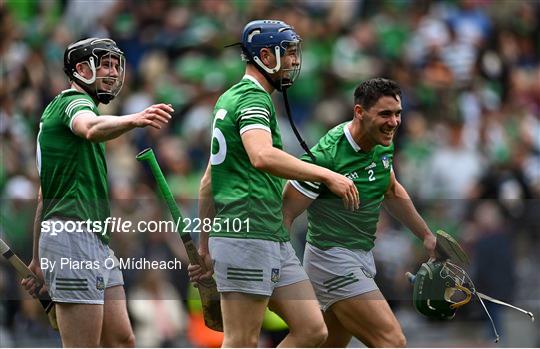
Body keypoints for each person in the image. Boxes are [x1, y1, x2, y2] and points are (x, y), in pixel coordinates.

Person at [188, 20, 359, 347]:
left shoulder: (229, 99)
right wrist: (326, 175)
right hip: (246, 236)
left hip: (269, 234)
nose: (295, 61)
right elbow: (262, 156)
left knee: (312, 329)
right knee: (242, 340)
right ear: (265, 56)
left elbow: (209, 181)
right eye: (289, 53)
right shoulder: (253, 99)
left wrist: (206, 245)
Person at [21, 37, 173, 347]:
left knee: (121, 340)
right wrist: (135, 119)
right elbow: (89, 127)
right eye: (105, 64)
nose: (114, 72)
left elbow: (43, 197)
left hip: (91, 240)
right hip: (72, 237)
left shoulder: (70, 113)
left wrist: (37, 259)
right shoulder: (71, 103)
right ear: (80, 69)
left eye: (117, 65)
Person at [282, 78, 437, 347]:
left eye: (398, 113)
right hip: (331, 260)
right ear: (359, 112)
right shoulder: (327, 155)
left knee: (327, 345)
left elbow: (391, 190)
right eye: (385, 114)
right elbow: (285, 213)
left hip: (360, 257)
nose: (394, 122)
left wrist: (426, 235)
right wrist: (280, 271)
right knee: (392, 341)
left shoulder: (382, 141)